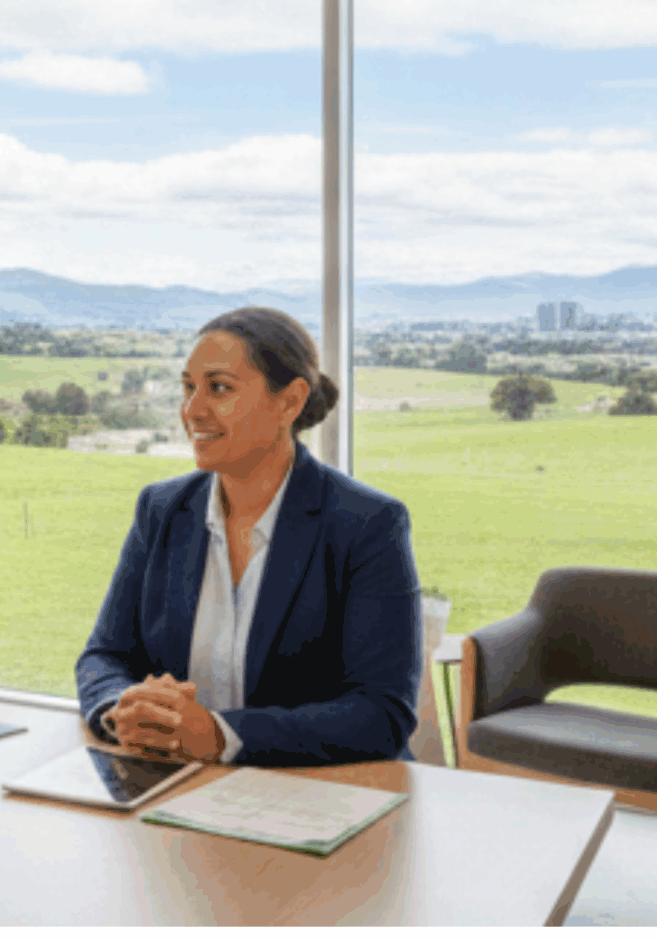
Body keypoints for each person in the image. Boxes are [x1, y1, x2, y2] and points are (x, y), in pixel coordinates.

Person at [75, 307, 421, 766]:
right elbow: (104, 656)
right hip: (179, 784)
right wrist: (124, 710)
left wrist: (221, 736)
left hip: (321, 797)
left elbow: (382, 713)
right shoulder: (161, 510)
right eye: (188, 388)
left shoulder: (368, 524)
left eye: (219, 388)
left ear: (290, 401)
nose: (192, 410)